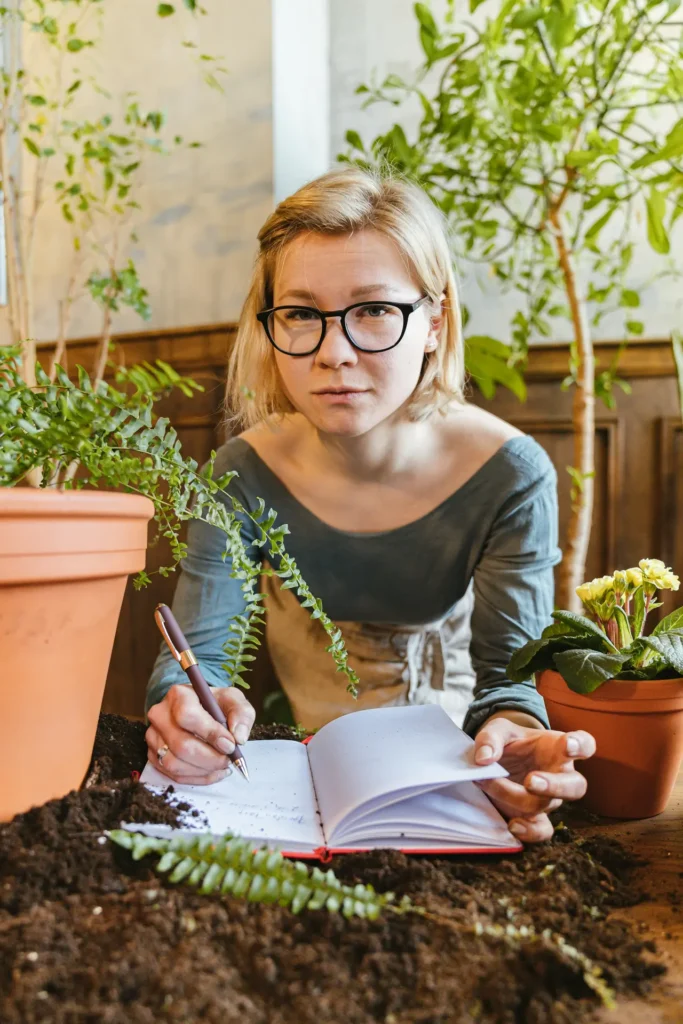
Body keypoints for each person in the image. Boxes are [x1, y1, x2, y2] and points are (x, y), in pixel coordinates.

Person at [146, 166, 595, 843]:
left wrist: (518, 736)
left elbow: (509, 678)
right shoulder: (238, 473)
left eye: (374, 310)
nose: (333, 353)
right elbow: (199, 656)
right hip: (295, 767)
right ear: (270, 325)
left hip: (455, 764)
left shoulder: (510, 476)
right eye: (300, 314)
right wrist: (184, 713)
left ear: (433, 322)